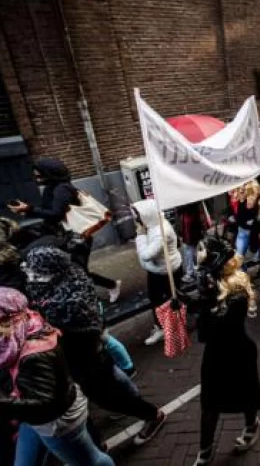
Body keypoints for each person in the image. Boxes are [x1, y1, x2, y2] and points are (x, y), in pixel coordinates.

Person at [23, 246, 166, 446]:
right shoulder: (50, 285)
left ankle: (152, 415)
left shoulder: (71, 297)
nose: (31, 275)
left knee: (105, 395)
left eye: (35, 270)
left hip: (86, 356)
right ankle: (97, 444)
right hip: (70, 358)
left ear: (50, 271)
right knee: (95, 393)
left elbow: (74, 325)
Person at [0, 287, 115, 466]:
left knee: (90, 460)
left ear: (7, 321)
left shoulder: (33, 352)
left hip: (55, 422)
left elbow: (46, 405)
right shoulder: (24, 328)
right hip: (34, 413)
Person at [181, 236, 260, 465]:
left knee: (246, 396)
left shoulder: (237, 289)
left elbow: (215, 327)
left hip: (238, 352)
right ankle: (204, 452)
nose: (199, 257)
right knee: (209, 405)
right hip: (215, 355)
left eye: (204, 252)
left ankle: (252, 424)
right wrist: (186, 301)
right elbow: (205, 334)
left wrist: (202, 303)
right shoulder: (208, 284)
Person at [8, 158, 121, 303]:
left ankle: (108, 287)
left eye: (39, 175)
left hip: (76, 238)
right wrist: (30, 211)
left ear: (50, 173)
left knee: (78, 271)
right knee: (74, 270)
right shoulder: (53, 187)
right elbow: (51, 212)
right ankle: (94, 293)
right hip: (66, 236)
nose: (37, 179)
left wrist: (29, 209)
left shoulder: (62, 189)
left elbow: (56, 214)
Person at [131, 200, 183, 346]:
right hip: (161, 269)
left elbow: (147, 255)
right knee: (167, 298)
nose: (136, 220)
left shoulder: (160, 232)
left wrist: (140, 236)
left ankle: (164, 328)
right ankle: (171, 322)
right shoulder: (154, 224)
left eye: (138, 217)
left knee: (160, 301)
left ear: (146, 215)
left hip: (165, 272)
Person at [177, 201, 209, 284]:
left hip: (190, 228)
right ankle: (195, 271)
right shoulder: (193, 204)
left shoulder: (188, 207)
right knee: (192, 250)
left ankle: (191, 273)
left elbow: (200, 215)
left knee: (189, 251)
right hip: (191, 227)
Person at [233, 181, 260, 269]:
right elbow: (239, 219)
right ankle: (243, 276)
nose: (251, 198)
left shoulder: (259, 204)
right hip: (243, 232)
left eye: (253, 194)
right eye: (249, 194)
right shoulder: (242, 202)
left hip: (254, 234)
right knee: (239, 257)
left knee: (246, 258)